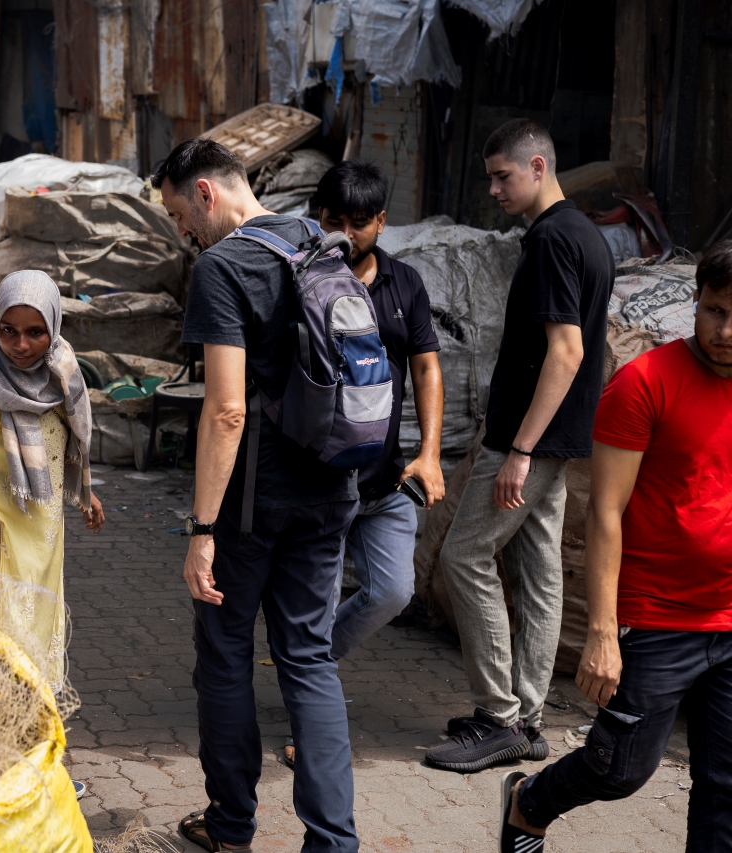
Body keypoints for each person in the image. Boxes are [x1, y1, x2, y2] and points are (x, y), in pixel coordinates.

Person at [155, 137, 360, 852]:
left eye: (181, 215)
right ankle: (334, 841)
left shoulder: (223, 267)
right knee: (309, 658)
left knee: (225, 654)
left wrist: (201, 529)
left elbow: (227, 409)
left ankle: (232, 825)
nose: (184, 233)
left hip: (251, 506)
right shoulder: (316, 240)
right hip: (333, 489)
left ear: (206, 194)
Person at [498, 242, 732, 851]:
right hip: (659, 616)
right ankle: (529, 801)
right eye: (714, 311)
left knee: (724, 787)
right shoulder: (646, 381)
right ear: (696, 303)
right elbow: (605, 513)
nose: (725, 330)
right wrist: (602, 631)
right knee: (620, 767)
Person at [426, 119, 614, 773]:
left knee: (465, 555)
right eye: (490, 178)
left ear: (539, 167)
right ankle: (527, 719)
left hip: (530, 440)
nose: (495, 190)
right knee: (538, 571)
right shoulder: (583, 235)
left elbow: (567, 351)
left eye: (503, 176)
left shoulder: (555, 242)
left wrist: (521, 449)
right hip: (557, 439)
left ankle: (499, 715)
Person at [281, 161, 445, 769]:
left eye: (358, 224)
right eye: (332, 222)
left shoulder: (404, 285)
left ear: (381, 221)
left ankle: (309, 659)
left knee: (392, 591)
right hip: (316, 485)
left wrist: (429, 454)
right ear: (315, 216)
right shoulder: (298, 279)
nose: (345, 236)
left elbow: (426, 367)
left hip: (385, 481)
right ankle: (312, 717)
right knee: (315, 603)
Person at [0, 270, 106, 795]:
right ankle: (8, 775)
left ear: (54, 326)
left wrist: (84, 493)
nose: (22, 345)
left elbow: (63, 449)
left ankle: (32, 766)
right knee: (5, 663)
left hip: (44, 548)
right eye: (8, 331)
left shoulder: (62, 373)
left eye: (35, 331)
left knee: (38, 659)